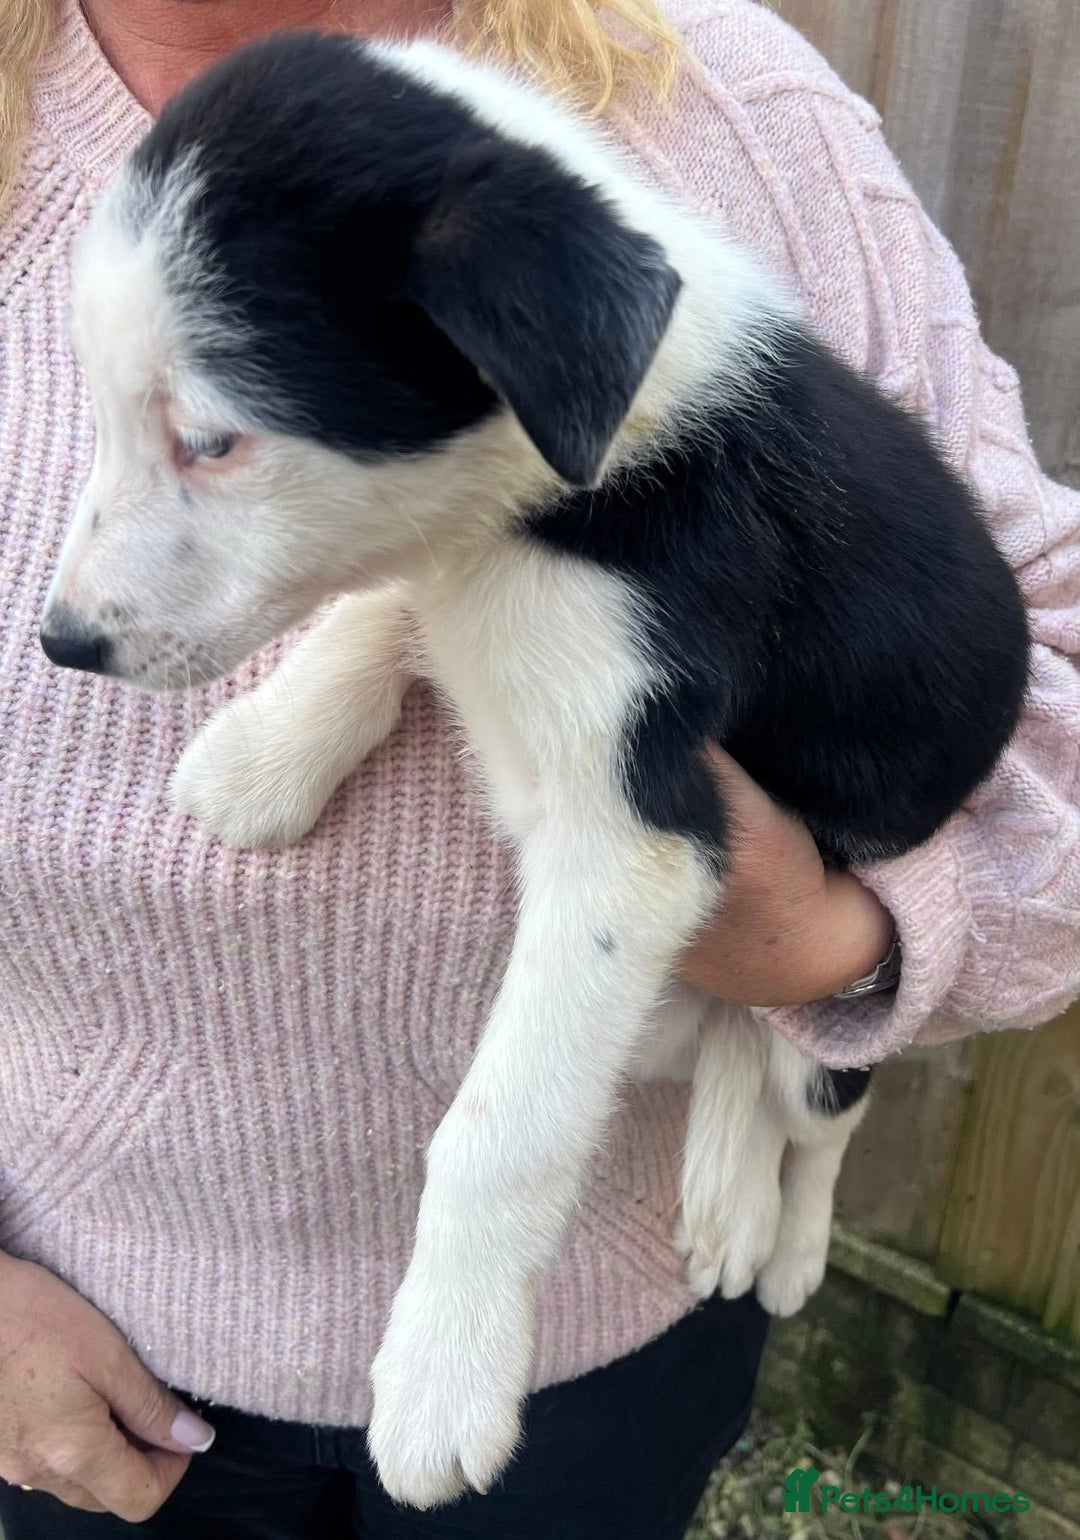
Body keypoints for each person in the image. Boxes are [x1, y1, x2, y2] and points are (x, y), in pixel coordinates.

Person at [0, 0, 1076, 1535]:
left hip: (590, 1345)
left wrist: (825, 957)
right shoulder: (168, 161)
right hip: (73, 1333)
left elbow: (632, 817)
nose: (82, 588)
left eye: (214, 443)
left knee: (785, 1065)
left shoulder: (720, 130)